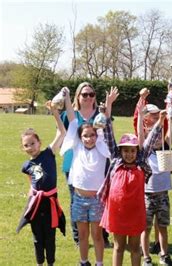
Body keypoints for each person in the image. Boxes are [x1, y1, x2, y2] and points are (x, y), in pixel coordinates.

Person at [98, 88, 160, 266]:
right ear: (120, 150)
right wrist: (109, 105)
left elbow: (149, 141)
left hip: (135, 212)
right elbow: (108, 132)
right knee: (118, 246)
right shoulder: (116, 159)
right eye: (126, 150)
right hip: (117, 213)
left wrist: (160, 121)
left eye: (132, 150)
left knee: (134, 248)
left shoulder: (141, 161)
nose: (129, 154)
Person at [17, 98, 67, 266]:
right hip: (36, 205)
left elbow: (62, 132)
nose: (30, 146)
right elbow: (31, 181)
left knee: (50, 237)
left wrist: (54, 112)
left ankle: (51, 263)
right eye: (26, 145)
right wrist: (31, 193)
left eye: (33, 142)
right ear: (23, 148)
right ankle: (40, 263)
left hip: (50, 203)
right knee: (37, 237)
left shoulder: (48, 153)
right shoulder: (26, 166)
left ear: (39, 142)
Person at [60, 82, 101, 246]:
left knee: (100, 200)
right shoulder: (72, 115)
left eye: (91, 94)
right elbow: (64, 132)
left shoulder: (99, 114)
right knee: (75, 200)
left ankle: (101, 235)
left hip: (97, 165)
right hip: (74, 163)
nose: (88, 97)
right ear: (78, 96)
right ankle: (79, 237)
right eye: (84, 94)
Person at [140, 102, 172, 266]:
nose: (156, 138)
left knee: (162, 226)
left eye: (159, 135)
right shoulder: (143, 150)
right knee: (145, 228)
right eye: (153, 135)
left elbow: (171, 132)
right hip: (147, 194)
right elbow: (143, 137)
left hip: (163, 194)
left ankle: (164, 255)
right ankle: (146, 257)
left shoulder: (165, 147)